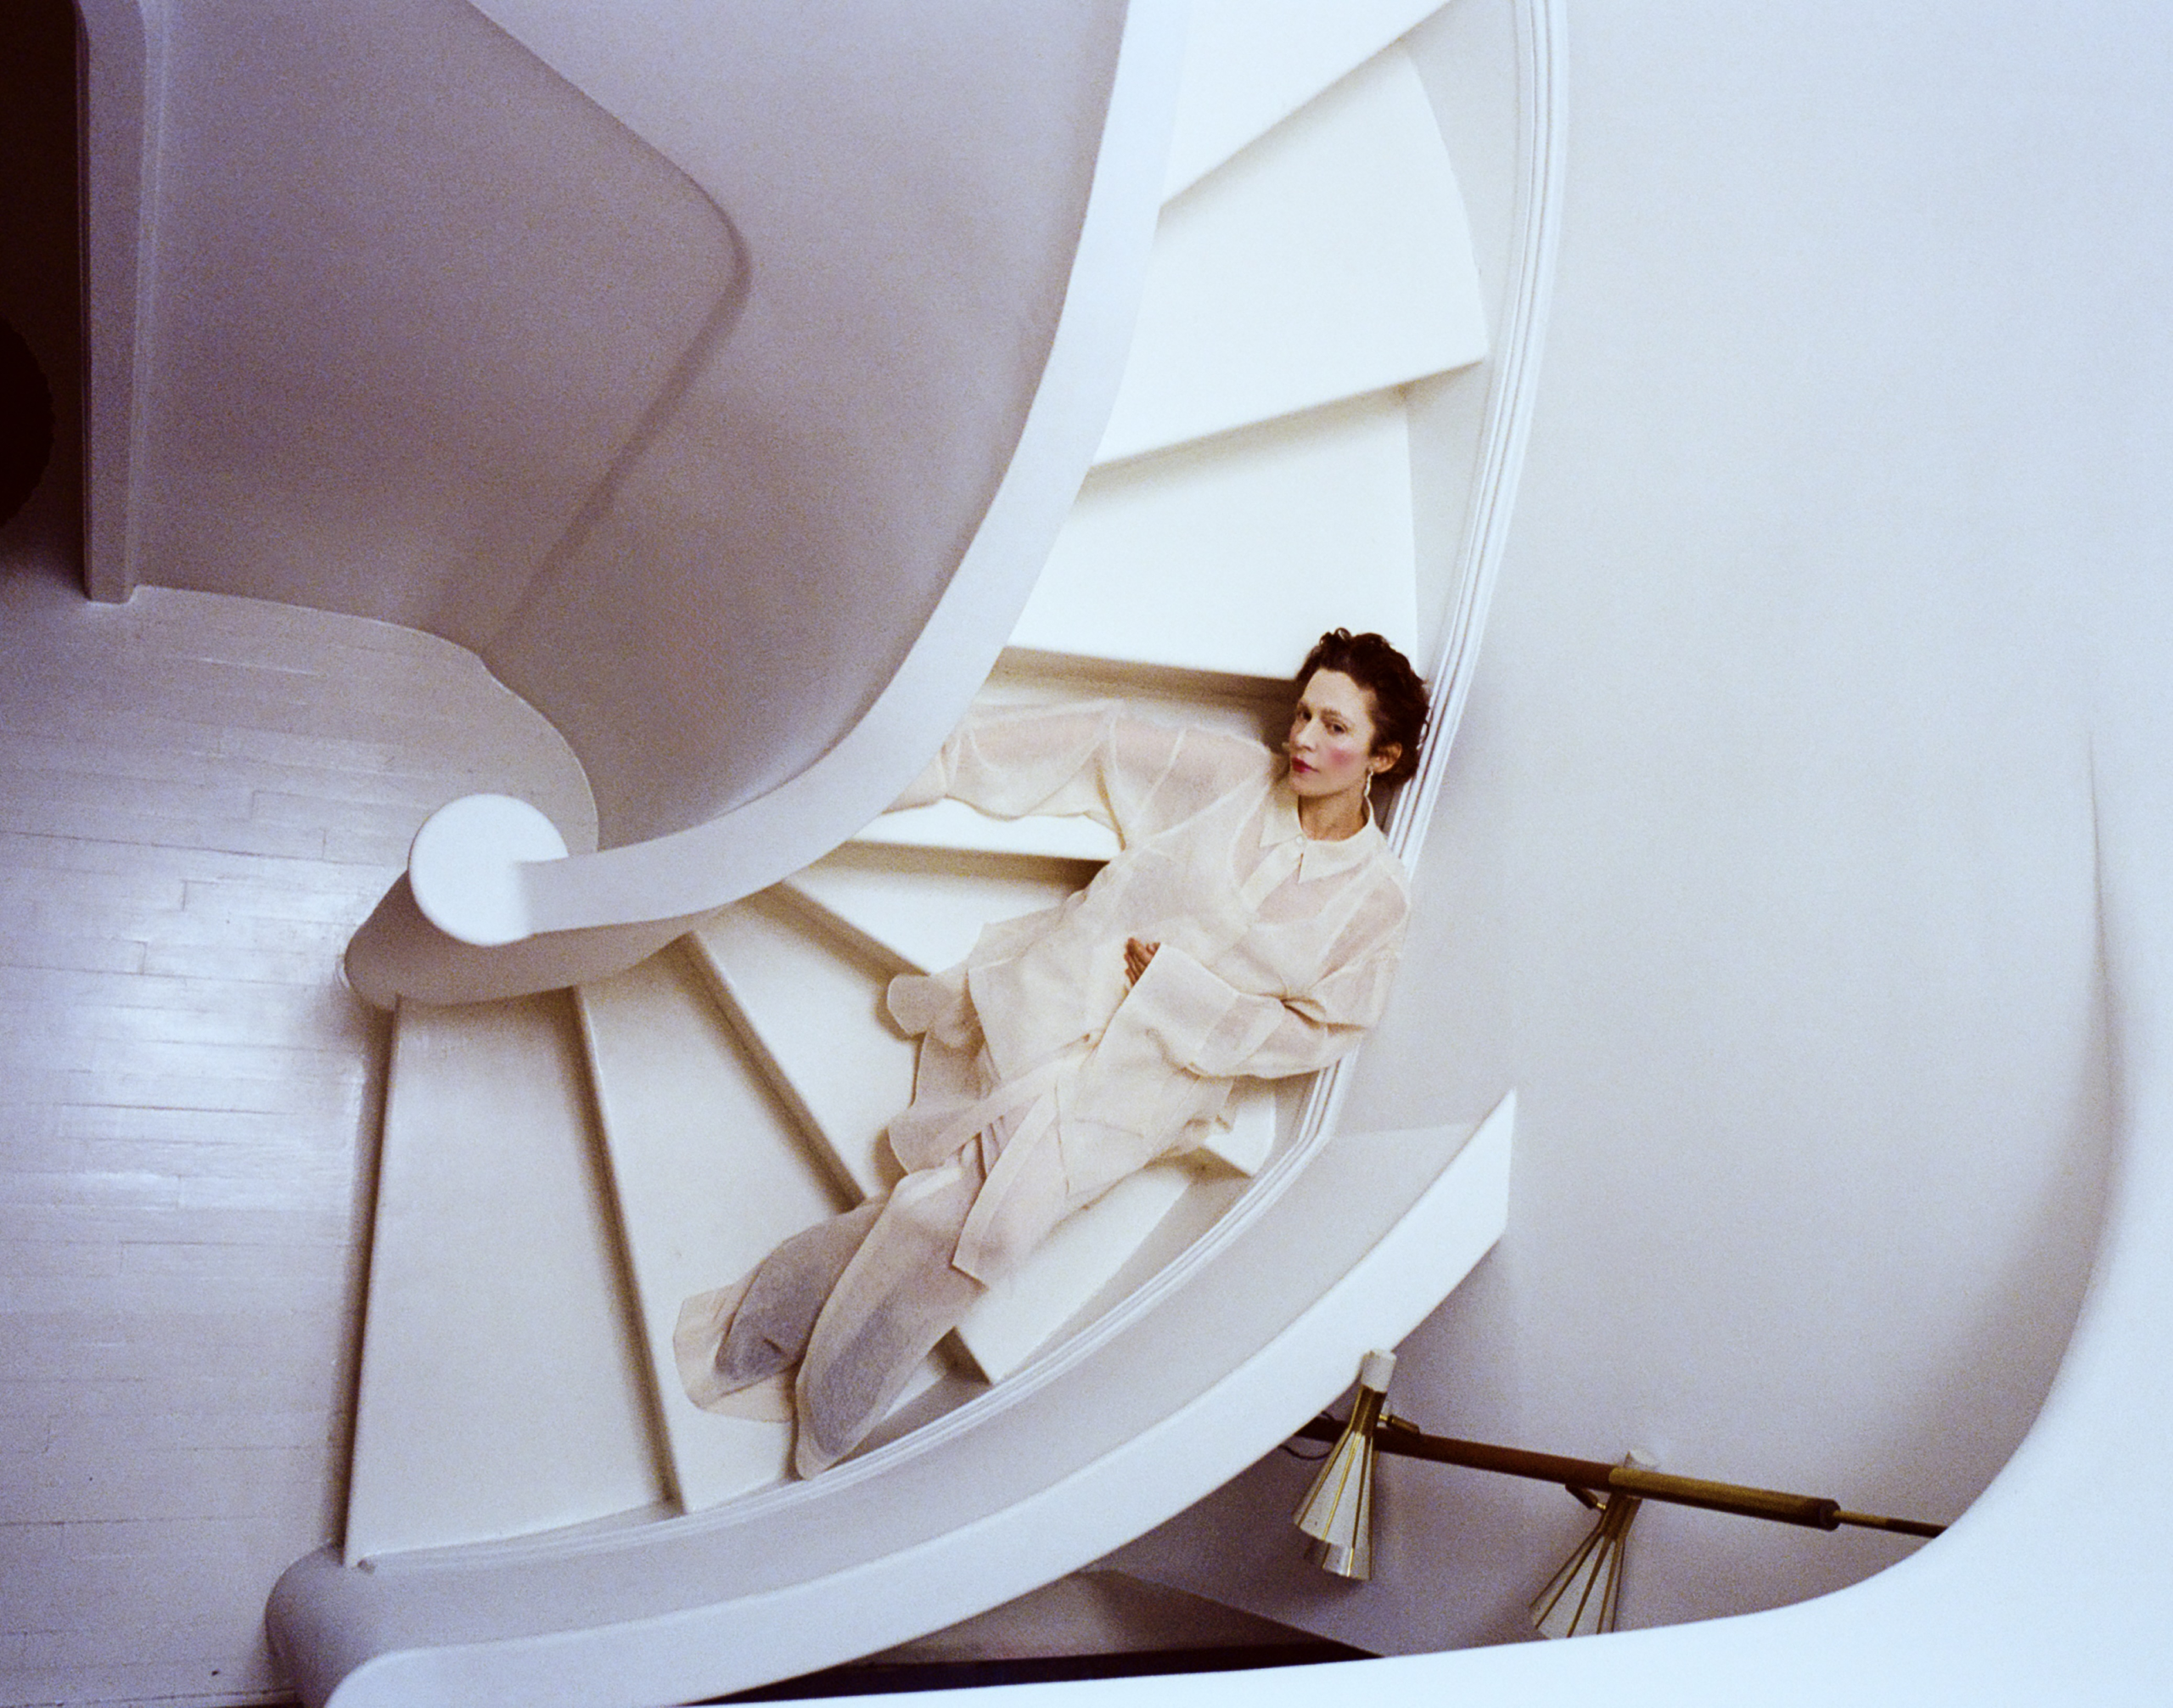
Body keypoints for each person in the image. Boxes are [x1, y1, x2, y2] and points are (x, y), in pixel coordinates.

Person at [676, 629, 1429, 1475]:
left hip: (1148, 1081)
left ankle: (777, 1337)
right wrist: (940, 764)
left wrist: (1185, 995)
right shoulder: (1229, 779)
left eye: (1333, 727)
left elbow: (1324, 1030)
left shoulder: (1377, 902)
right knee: (951, 1215)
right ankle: (827, 1392)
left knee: (969, 1222)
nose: (1301, 739)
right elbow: (1095, 740)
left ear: (1383, 754)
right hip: (1056, 1000)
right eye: (1301, 714)